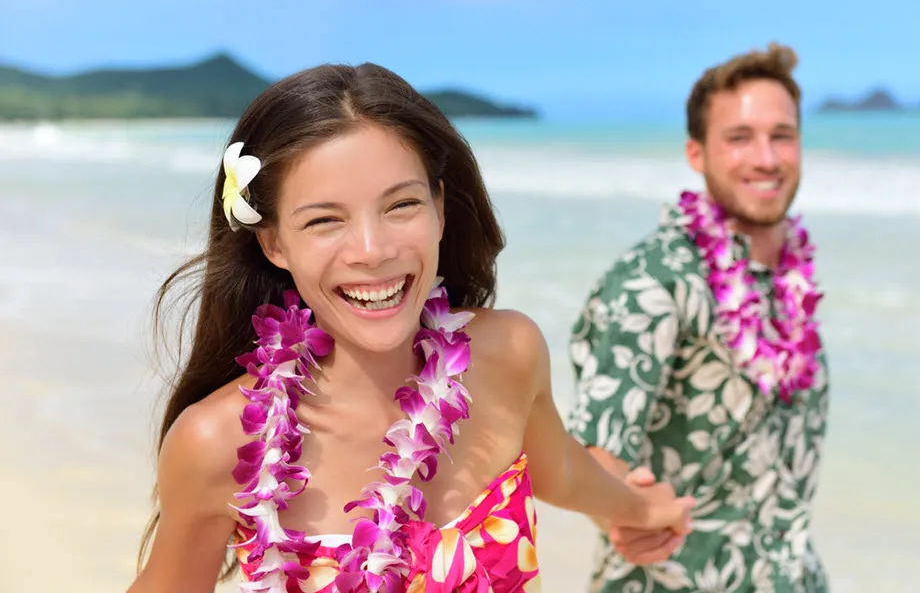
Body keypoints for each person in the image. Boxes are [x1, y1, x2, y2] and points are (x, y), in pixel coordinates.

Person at [127, 62, 695, 593]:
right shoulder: (219, 443)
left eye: (400, 206)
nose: (372, 251)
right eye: (324, 220)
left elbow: (561, 469)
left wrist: (642, 513)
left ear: (440, 210)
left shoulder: (508, 354)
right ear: (274, 242)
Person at [566, 43, 831, 592]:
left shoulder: (792, 279)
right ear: (696, 153)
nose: (766, 157)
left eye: (781, 135)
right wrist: (624, 512)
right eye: (739, 138)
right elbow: (593, 451)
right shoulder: (655, 279)